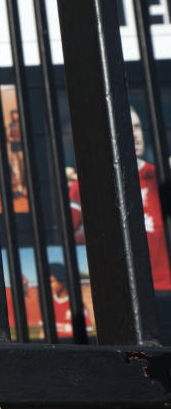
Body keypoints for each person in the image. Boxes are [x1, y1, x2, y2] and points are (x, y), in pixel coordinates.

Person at [69, 107, 171, 293]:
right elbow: (67, 237)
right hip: (119, 293)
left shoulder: (159, 177)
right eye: (127, 127)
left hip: (164, 287)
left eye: (138, 126)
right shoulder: (87, 184)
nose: (136, 134)